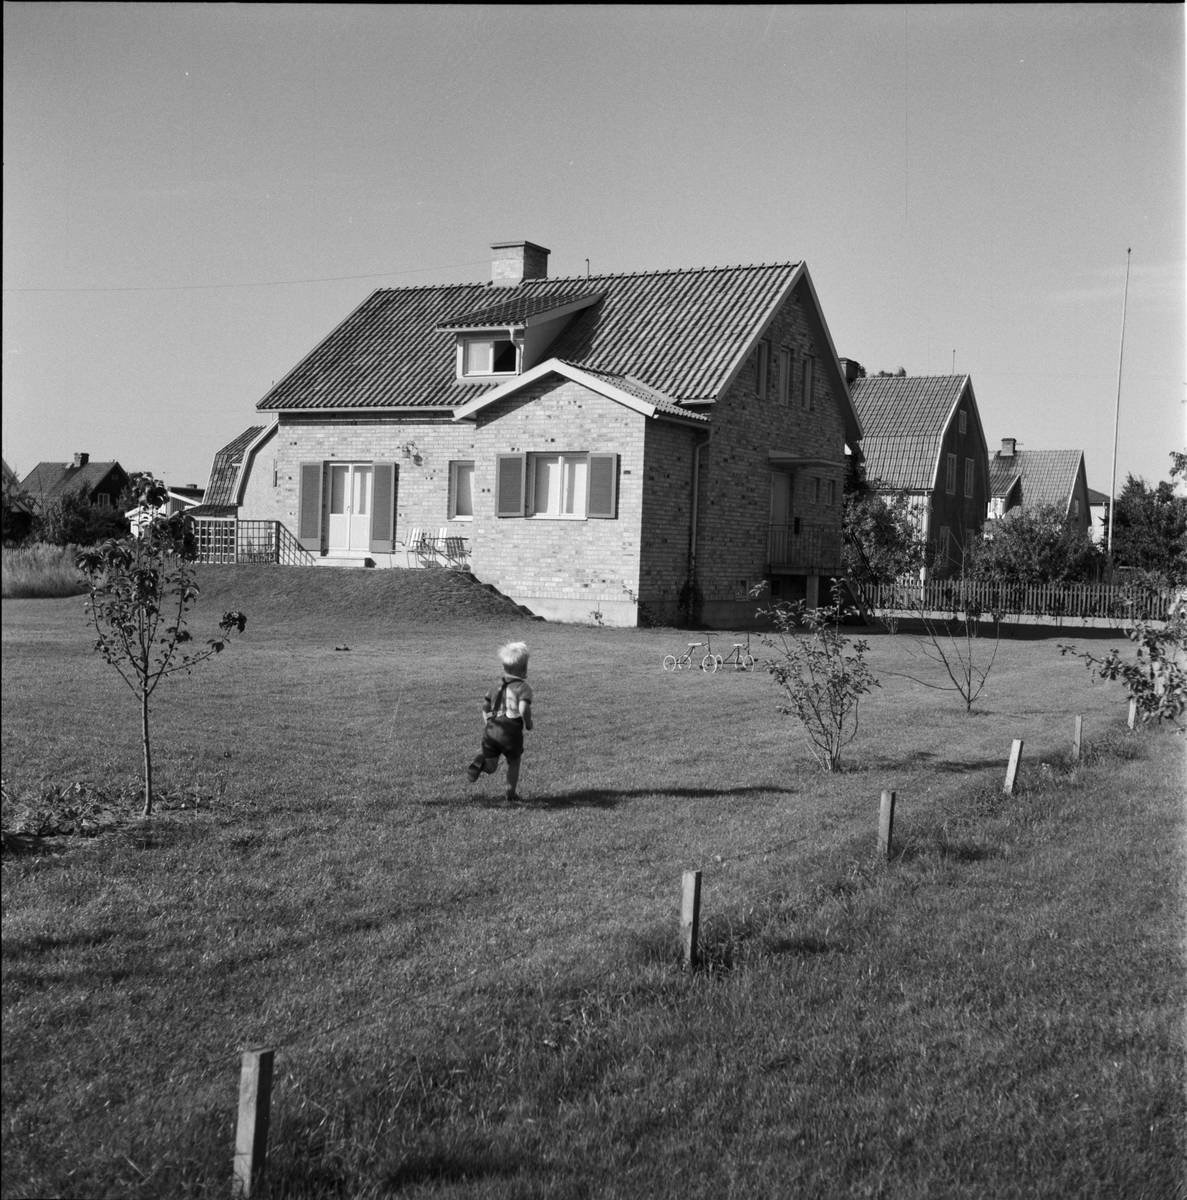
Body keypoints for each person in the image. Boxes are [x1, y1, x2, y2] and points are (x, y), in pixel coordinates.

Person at [466, 641, 533, 800]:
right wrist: (528, 723)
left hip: (492, 729)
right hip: (510, 732)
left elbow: (485, 706)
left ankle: (481, 763)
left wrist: (487, 722)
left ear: (504, 667)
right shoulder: (523, 687)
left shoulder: (496, 686)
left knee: (491, 766)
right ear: (524, 668)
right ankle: (511, 794)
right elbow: (523, 708)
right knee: (514, 762)